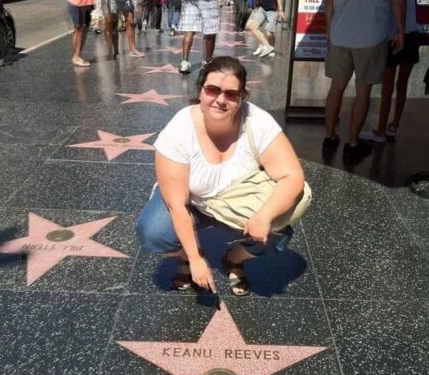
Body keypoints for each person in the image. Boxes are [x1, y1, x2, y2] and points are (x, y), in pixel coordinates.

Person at [137, 57, 305, 296]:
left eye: (231, 94)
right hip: (191, 204)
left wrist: (264, 217)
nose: (220, 100)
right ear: (200, 90)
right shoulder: (179, 130)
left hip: (235, 201)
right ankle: (185, 253)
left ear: (242, 97)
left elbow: (293, 175)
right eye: (212, 90)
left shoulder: (257, 122)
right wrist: (195, 259)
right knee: (154, 231)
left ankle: (233, 258)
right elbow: (177, 206)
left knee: (277, 235)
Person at [323, 0, 405, 157]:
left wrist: (329, 30)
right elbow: (398, 2)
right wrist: (401, 31)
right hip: (372, 36)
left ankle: (329, 137)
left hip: (340, 34)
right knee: (363, 90)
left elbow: (329, 3)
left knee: (336, 86)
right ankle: (352, 143)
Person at [359, 0, 421, 143]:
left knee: (387, 88)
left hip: (393, 36)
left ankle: (380, 131)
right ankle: (394, 126)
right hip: (413, 35)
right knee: (402, 85)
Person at [177, 0, 220, 73]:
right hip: (208, 2)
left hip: (191, 2)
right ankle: (208, 62)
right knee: (210, 30)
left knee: (189, 30)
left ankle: (184, 62)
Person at [67, 0, 95, 67]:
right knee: (79, 29)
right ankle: (76, 57)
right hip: (78, 3)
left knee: (79, 28)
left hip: (81, 3)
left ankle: (76, 56)